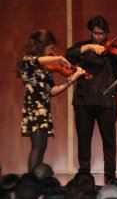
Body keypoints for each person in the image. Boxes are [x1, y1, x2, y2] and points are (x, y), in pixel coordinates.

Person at [65, 15, 117, 183]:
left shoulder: (112, 50)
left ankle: (110, 175)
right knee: (84, 138)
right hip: (84, 100)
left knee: (109, 140)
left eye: (103, 34)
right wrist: (89, 46)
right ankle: (83, 173)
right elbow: (69, 56)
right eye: (96, 34)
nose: (100, 37)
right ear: (90, 32)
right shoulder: (82, 47)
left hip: (107, 100)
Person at [17, 30, 85, 172]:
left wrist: (74, 78)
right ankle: (31, 180)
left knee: (42, 146)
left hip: (44, 108)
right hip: (34, 108)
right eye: (51, 47)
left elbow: (52, 90)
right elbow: (38, 60)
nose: (52, 51)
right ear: (43, 45)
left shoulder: (46, 67)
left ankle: (36, 179)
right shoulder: (28, 61)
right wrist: (58, 58)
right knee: (37, 145)